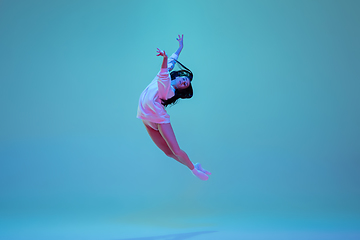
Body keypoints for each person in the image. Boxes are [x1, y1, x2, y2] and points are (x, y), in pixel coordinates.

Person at [136, 35, 211, 180]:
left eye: (186, 84)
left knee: (176, 150)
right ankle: (195, 166)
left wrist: (163, 58)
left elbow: (164, 74)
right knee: (168, 152)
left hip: (157, 117)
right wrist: (179, 48)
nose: (185, 82)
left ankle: (194, 171)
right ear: (178, 76)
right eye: (185, 79)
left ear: (180, 89)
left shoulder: (169, 91)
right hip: (145, 116)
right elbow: (171, 62)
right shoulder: (168, 76)